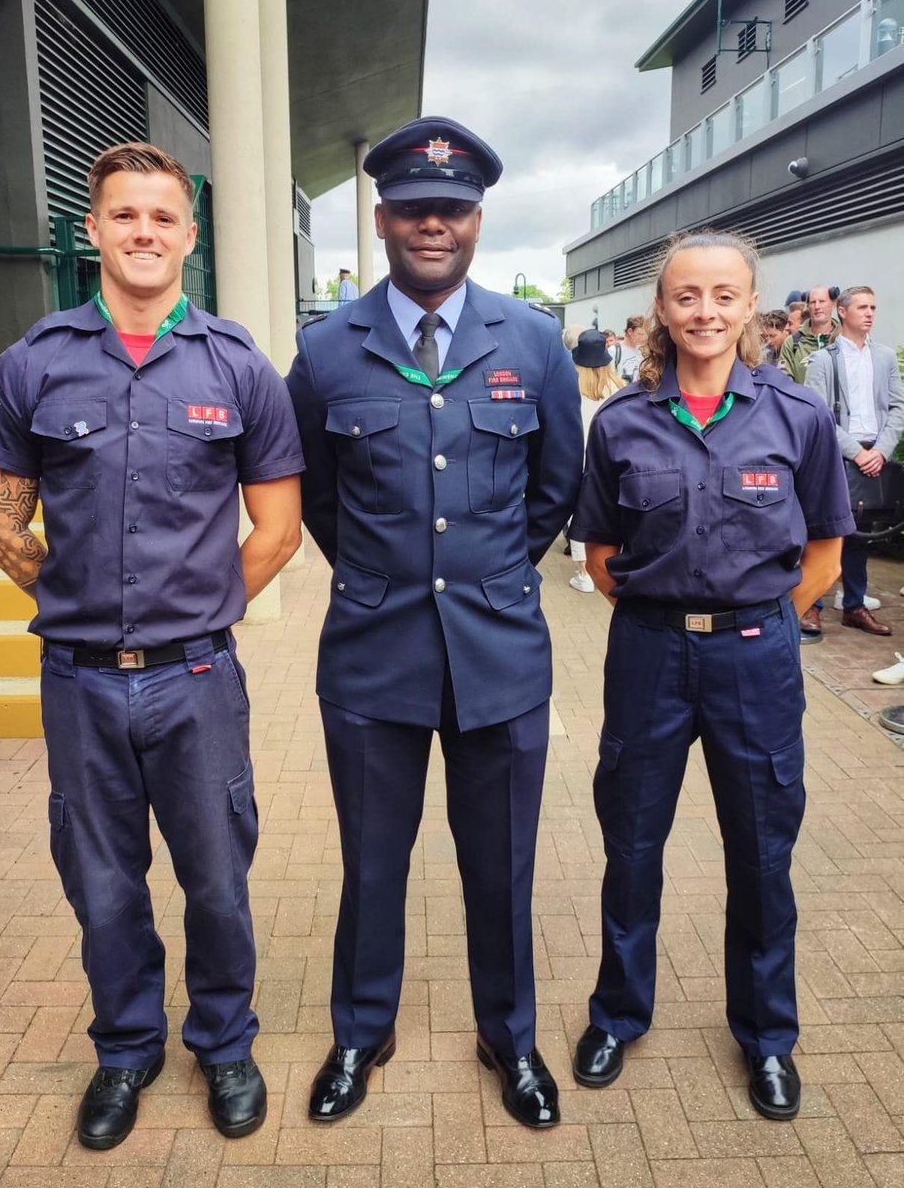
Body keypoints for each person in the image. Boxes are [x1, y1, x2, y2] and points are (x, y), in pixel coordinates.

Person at [0, 142, 305, 1149]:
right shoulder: (34, 362)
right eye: (126, 216)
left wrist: (192, 609)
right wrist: (79, 601)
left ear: (189, 236)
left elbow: (278, 530)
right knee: (103, 877)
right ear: (94, 230)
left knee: (216, 873)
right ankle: (124, 1050)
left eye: (164, 217)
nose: (145, 233)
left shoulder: (238, 366)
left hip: (196, 676)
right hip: (76, 680)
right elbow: (0, 526)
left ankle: (224, 1041)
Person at [286, 116, 582, 1129]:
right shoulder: (326, 350)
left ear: (476, 221)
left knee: (500, 865)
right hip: (373, 656)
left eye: (450, 210)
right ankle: (360, 1033)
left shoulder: (532, 342)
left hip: (498, 656)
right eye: (412, 209)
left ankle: (510, 1038)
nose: (431, 226)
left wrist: (482, 577)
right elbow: (317, 499)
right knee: (372, 863)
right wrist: (382, 577)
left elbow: (553, 494)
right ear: (380, 221)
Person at [569, 231, 854, 1122]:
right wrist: (669, 616)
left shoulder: (795, 414)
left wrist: (760, 620)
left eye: (722, 296)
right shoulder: (621, 420)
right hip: (649, 653)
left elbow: (826, 552)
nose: (704, 313)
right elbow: (603, 553)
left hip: (754, 660)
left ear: (748, 306)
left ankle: (767, 1038)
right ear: (661, 309)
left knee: (763, 855)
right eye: (686, 296)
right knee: (631, 844)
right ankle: (618, 1012)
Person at [804, 286, 904, 637]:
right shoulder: (823, 360)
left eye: (874, 307)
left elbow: (898, 407)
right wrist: (857, 452)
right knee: (826, 531)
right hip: (838, 456)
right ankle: (811, 605)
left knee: (861, 534)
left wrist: (880, 451)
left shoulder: (886, 357)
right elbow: (818, 416)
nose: (870, 313)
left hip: (874, 454)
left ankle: (854, 606)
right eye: (862, 307)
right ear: (842, 312)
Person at [568, 329, 625, 593]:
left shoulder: (569, 387)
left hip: (578, 459)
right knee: (609, 515)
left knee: (581, 516)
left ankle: (584, 573)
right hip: (613, 460)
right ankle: (610, 565)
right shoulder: (619, 388)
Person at [779, 285, 840, 383]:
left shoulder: (844, 339)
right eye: (813, 302)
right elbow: (783, 382)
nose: (817, 307)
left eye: (822, 301)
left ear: (833, 305)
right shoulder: (792, 343)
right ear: (808, 307)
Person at [615, 315, 647, 383]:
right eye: (640, 334)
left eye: (644, 334)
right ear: (630, 332)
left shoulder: (642, 351)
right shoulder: (614, 351)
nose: (643, 338)